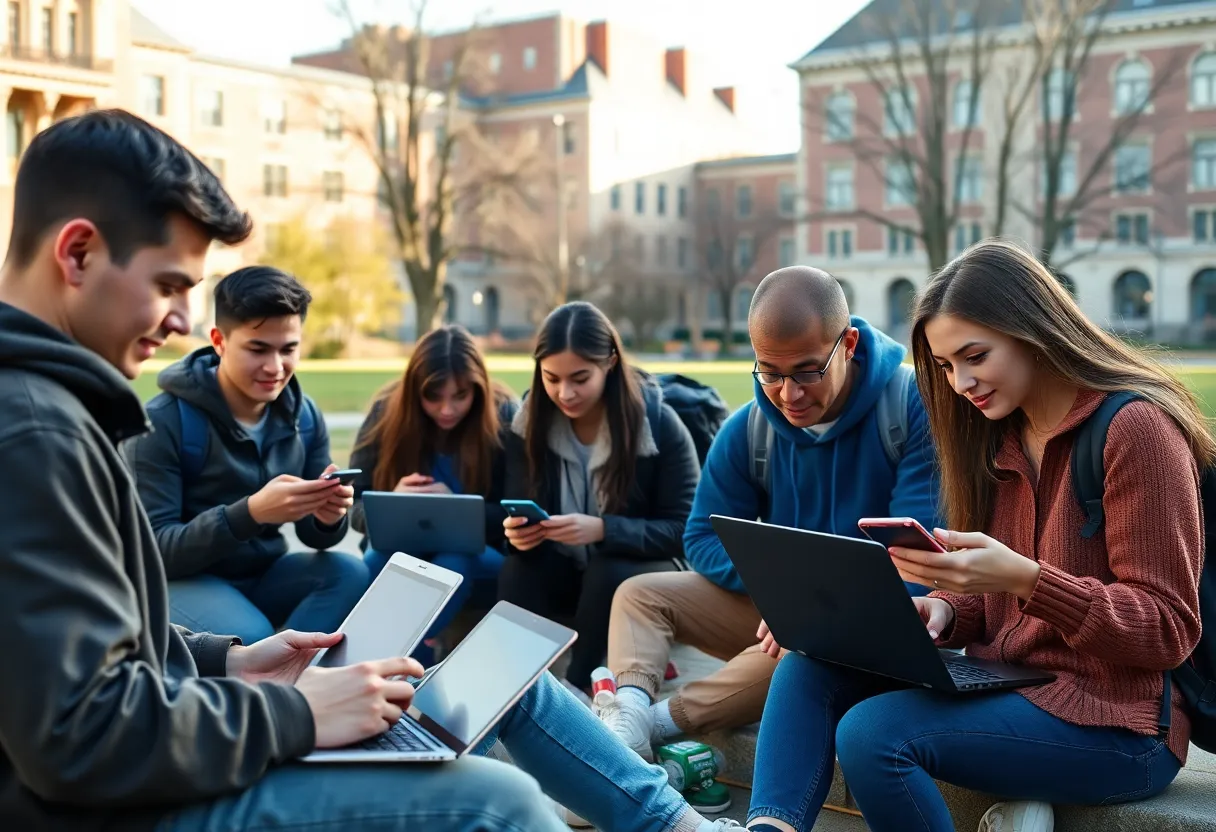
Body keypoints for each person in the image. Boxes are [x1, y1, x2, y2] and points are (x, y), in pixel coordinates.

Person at [0, 108, 746, 832]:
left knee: (500, 682)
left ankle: (676, 823)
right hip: (138, 801)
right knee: (497, 803)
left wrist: (229, 661)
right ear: (77, 253)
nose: (181, 322)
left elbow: (106, 648)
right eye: (169, 285)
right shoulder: (34, 432)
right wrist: (299, 712)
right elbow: (75, 734)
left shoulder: (56, 410)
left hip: (195, 719)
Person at [746, 241, 1207, 832]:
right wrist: (940, 611)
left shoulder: (1136, 430)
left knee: (871, 735)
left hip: (1120, 726)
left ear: (1033, 330)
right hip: (1012, 687)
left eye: (974, 356)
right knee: (807, 665)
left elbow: (1168, 629)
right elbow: (990, 611)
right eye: (943, 366)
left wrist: (1026, 578)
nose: (960, 382)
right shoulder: (996, 436)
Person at [599, 266, 940, 761]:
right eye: (770, 372)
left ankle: (648, 727)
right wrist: (786, 595)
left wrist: (811, 608)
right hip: (784, 615)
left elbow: (916, 557)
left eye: (807, 371)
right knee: (640, 594)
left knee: (805, 647)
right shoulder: (751, 428)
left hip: (881, 627)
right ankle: (627, 710)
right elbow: (702, 537)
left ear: (846, 343)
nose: (788, 394)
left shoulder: (910, 408)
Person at [124, 265, 368, 644]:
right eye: (258, 349)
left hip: (263, 573)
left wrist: (327, 517)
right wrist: (250, 514)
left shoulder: (304, 417)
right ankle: (276, 679)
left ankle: (288, 676)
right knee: (250, 634)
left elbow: (317, 539)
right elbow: (154, 550)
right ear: (219, 341)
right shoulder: (162, 422)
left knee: (349, 573)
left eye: (289, 349)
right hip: (180, 581)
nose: (275, 367)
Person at [500, 301, 701, 694]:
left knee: (609, 569)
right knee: (517, 570)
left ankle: (577, 687)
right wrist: (519, 535)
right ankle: (512, 684)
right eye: (551, 378)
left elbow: (684, 531)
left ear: (609, 363)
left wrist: (603, 530)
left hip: (642, 574)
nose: (564, 393)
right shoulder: (527, 425)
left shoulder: (657, 424)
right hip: (568, 572)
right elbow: (515, 506)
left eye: (579, 378)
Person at [350, 324, 518, 665]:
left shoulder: (501, 416)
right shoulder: (386, 412)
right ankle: (385, 661)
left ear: (479, 390)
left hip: (479, 555)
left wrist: (457, 509)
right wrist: (393, 502)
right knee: (378, 563)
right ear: (415, 392)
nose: (447, 410)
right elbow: (354, 507)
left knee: (455, 559)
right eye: (433, 397)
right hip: (398, 550)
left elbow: (516, 510)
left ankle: (389, 661)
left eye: (460, 396)